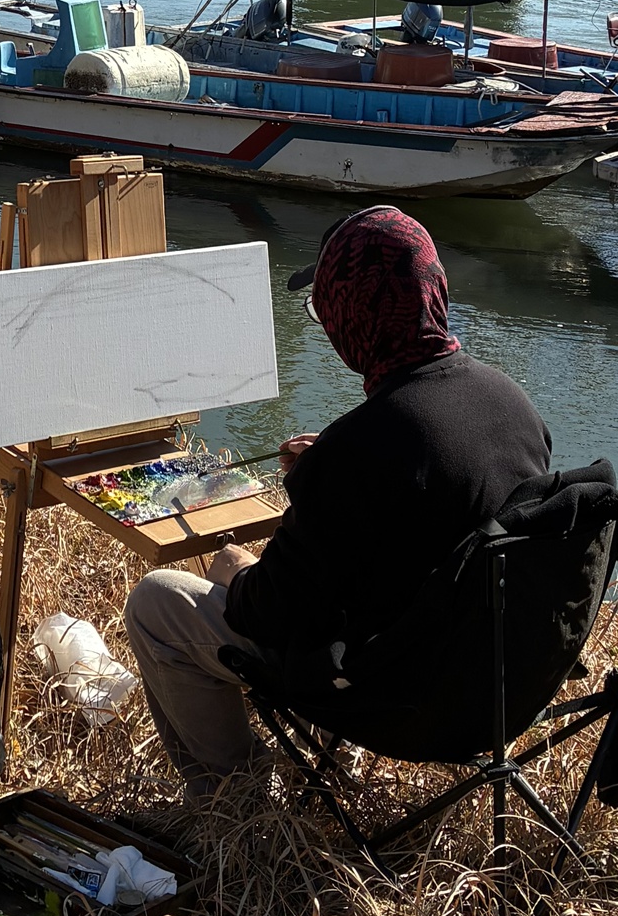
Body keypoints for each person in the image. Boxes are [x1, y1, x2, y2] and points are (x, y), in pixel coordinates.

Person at [122, 206, 552, 799]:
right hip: (497, 686)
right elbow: (432, 496)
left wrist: (250, 560)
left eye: (328, 310)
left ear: (355, 315)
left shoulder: (359, 452)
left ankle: (236, 798)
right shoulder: (512, 403)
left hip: (392, 696)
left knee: (156, 601)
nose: (326, 328)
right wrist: (333, 469)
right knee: (232, 570)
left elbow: (271, 613)